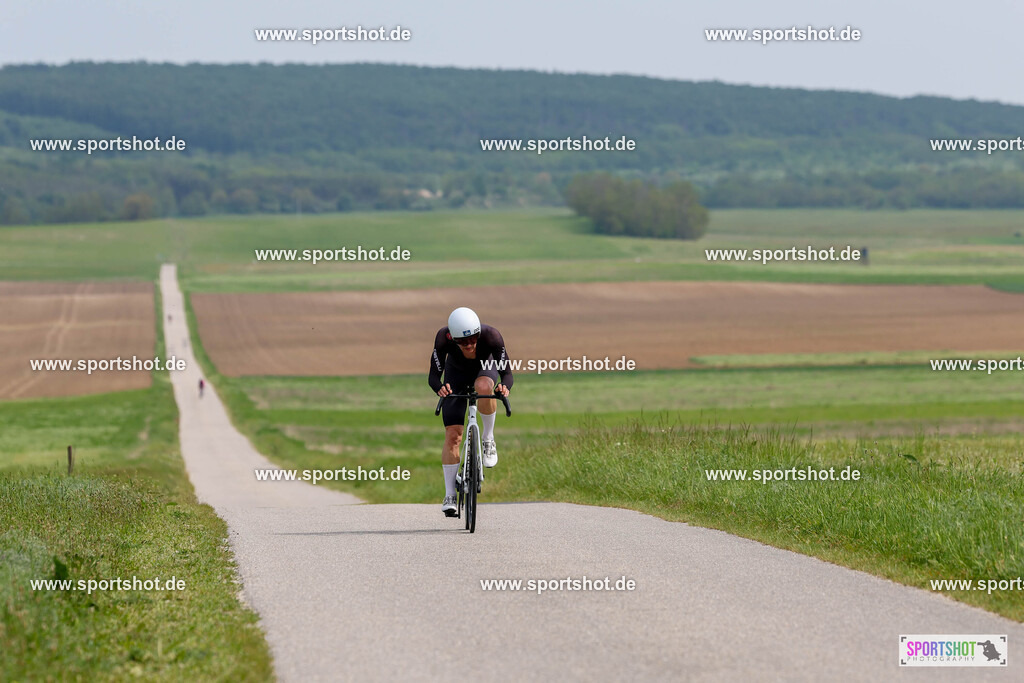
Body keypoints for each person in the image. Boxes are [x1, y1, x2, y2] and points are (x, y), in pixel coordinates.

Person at [428, 307, 512, 517]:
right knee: (453, 436)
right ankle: (449, 495)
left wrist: (504, 387)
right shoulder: (442, 337)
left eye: (473, 338)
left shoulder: (492, 336)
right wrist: (440, 387)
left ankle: (488, 438)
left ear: (478, 333)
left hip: (485, 369)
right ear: (452, 338)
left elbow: (507, 373)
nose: (469, 345)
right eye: (462, 342)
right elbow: (433, 376)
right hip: (455, 375)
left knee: (484, 387)